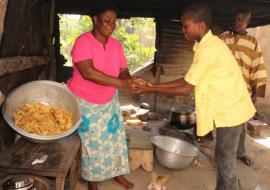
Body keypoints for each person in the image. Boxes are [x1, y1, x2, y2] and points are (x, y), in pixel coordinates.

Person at [135, 2, 256, 190]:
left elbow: (185, 88)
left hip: (232, 111)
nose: (183, 30)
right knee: (222, 158)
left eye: (186, 25)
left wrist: (151, 89)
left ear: (200, 25)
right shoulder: (203, 46)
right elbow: (188, 79)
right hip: (226, 109)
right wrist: (152, 85)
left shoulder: (210, 49)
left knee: (226, 162)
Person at [67, 4, 138, 190]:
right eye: (107, 21)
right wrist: (122, 84)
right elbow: (88, 72)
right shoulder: (83, 42)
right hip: (85, 101)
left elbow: (123, 70)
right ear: (95, 20)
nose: (111, 25)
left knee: (116, 139)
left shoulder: (115, 45)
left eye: (114, 22)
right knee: (92, 143)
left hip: (109, 100)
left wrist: (129, 81)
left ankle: (117, 174)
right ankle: (92, 180)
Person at [220, 8, 268, 166]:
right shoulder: (223, 38)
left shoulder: (253, 43)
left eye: (240, 19)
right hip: (223, 90)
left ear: (247, 22)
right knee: (223, 123)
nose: (236, 21)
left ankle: (240, 153)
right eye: (235, 18)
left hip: (242, 92)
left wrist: (254, 95)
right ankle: (222, 155)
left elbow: (257, 69)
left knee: (240, 125)